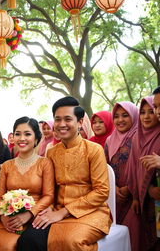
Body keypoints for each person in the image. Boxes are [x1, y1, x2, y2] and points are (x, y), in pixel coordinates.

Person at [17, 96, 111, 251]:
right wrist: (50, 207)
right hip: (57, 210)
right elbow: (51, 188)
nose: (61, 124)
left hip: (91, 212)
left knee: (69, 242)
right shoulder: (52, 152)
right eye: (57, 119)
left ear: (80, 122)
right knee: (28, 240)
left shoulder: (94, 150)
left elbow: (102, 192)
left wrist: (63, 212)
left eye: (67, 119)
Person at [0, 116, 54, 251]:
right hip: (9, 219)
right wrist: (3, 217)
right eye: (18, 134)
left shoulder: (45, 163)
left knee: (10, 245)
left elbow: (49, 195)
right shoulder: (7, 165)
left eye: (27, 134)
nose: (22, 138)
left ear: (36, 139)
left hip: (35, 218)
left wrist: (28, 214)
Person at [127, 96, 160, 251]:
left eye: (151, 111)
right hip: (144, 197)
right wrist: (136, 196)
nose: (146, 116)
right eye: (142, 112)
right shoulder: (136, 138)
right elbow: (133, 167)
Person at [104, 102, 138, 226]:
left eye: (125, 115)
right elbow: (104, 166)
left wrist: (129, 188)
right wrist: (115, 188)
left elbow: (142, 167)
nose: (120, 120)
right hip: (115, 196)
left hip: (136, 196)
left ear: (134, 116)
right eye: (116, 116)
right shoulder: (109, 140)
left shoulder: (140, 137)